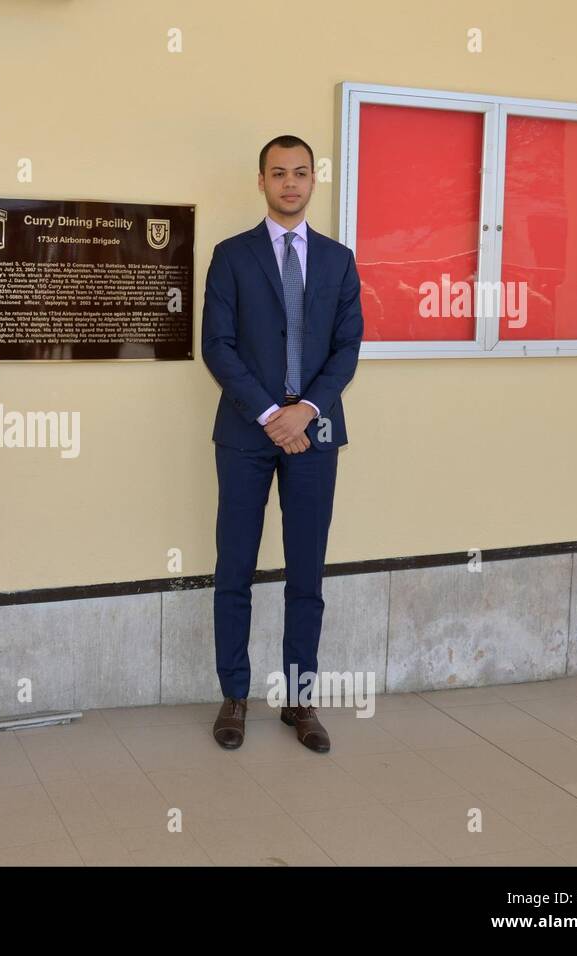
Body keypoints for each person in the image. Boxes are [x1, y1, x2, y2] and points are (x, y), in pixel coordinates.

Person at [202, 134, 364, 754]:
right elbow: (216, 345)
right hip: (246, 432)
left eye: (300, 173)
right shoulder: (231, 256)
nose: (290, 183)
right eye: (278, 173)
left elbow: (347, 347)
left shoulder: (338, 260)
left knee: (306, 572)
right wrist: (273, 413)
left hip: (316, 433)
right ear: (262, 181)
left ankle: (299, 700)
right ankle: (234, 696)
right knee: (235, 568)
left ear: (314, 181)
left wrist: (305, 411)